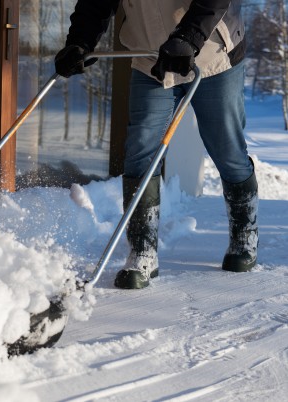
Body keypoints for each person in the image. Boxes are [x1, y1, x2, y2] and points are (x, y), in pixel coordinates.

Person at [55, 0, 258, 289]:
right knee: (141, 150)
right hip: (150, 58)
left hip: (213, 54)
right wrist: (79, 41)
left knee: (227, 149)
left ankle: (244, 235)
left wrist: (188, 37)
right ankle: (142, 251)